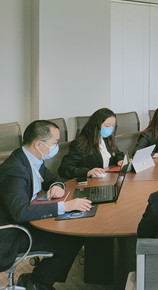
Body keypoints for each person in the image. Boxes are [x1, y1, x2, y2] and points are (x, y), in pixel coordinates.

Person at [0, 120, 91, 290]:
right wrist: (65, 206)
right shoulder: (15, 170)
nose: (57, 146)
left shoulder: (31, 158)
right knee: (71, 239)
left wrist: (57, 186)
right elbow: (20, 212)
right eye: (54, 142)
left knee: (74, 229)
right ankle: (38, 283)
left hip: (28, 219)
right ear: (38, 144)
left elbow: (52, 178)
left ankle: (37, 279)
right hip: (12, 232)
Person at [59, 108, 124, 179]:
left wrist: (120, 160)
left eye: (113, 126)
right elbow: (64, 168)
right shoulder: (80, 143)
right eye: (107, 126)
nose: (110, 129)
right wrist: (87, 172)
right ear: (97, 125)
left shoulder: (106, 138)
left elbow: (117, 153)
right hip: (89, 182)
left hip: (105, 179)